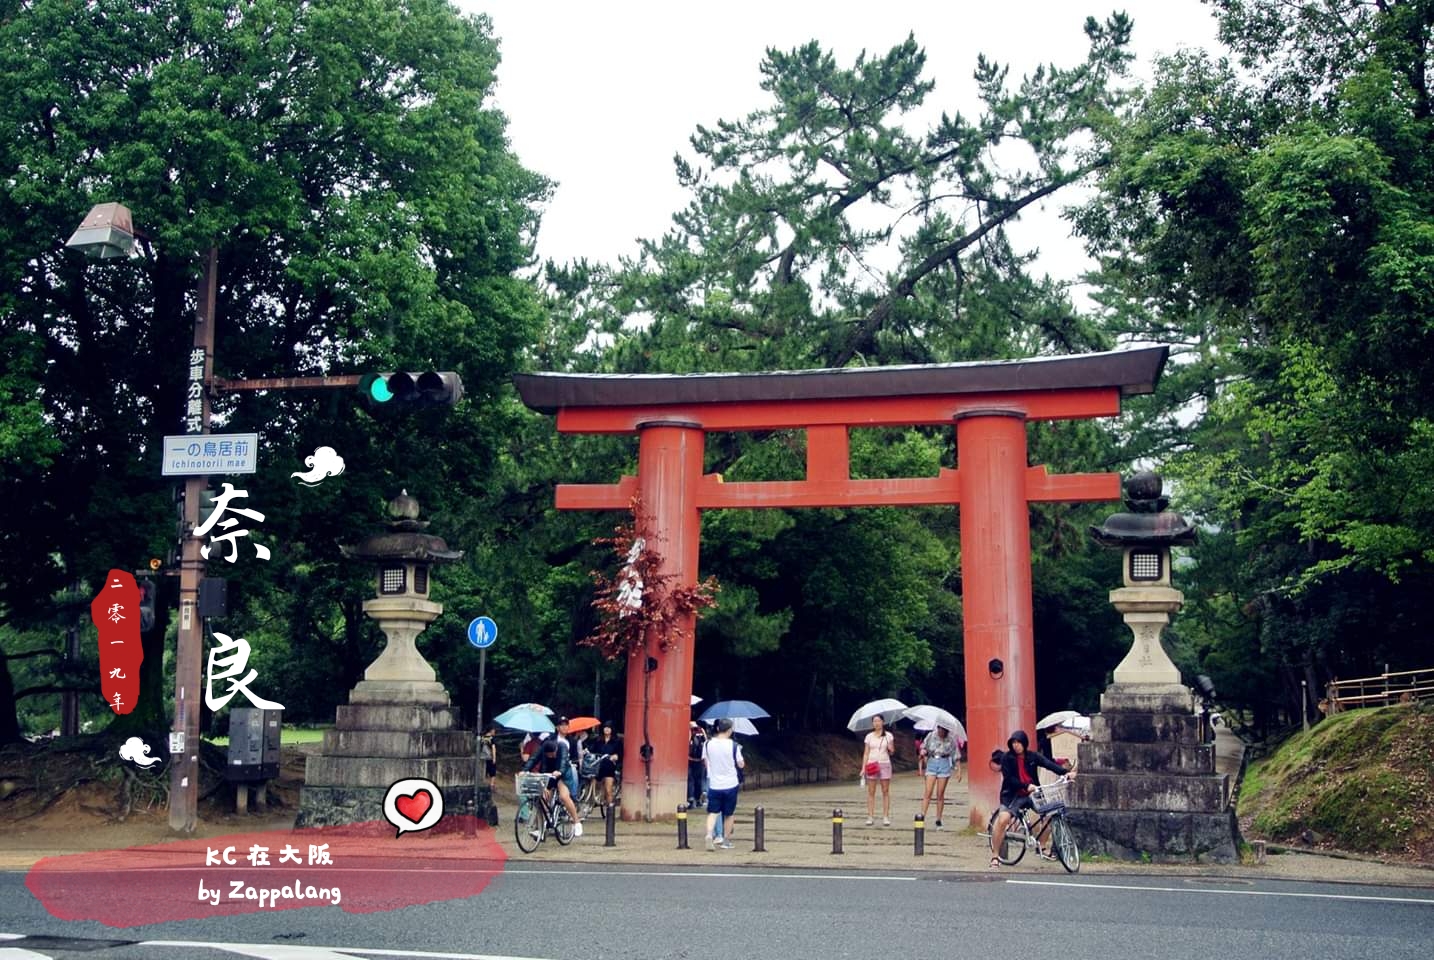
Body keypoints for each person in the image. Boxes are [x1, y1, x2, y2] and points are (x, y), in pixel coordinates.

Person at [988, 729, 1073, 868]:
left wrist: (1066, 773)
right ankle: (995, 856)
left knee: (1049, 814)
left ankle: (1042, 846)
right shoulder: (1007, 758)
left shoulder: (1032, 757)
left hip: (1033, 793)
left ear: (1024, 743)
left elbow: (1048, 764)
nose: (1016, 745)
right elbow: (1009, 779)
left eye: (1019, 742)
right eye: (1013, 742)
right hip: (1012, 794)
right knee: (1003, 819)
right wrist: (1026, 786)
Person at [522, 719, 583, 838]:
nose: (551, 756)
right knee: (542, 799)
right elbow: (534, 758)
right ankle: (540, 828)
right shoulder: (545, 744)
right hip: (548, 773)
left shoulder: (563, 746)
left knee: (564, 796)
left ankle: (576, 822)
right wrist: (525, 770)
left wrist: (559, 771)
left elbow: (564, 762)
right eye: (548, 755)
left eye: (553, 754)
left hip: (562, 774)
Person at [702, 718, 744, 850]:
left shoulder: (708, 744)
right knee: (729, 814)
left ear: (717, 728)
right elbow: (741, 764)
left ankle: (709, 835)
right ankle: (726, 840)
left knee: (713, 812)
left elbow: (706, 762)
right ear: (730, 730)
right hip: (730, 784)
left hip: (714, 784)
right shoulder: (734, 745)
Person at [918, 725, 960, 828]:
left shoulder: (951, 739)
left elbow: (955, 755)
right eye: (940, 729)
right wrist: (923, 752)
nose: (942, 731)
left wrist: (958, 771)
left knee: (940, 794)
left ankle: (938, 819)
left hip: (944, 762)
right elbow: (923, 747)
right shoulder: (931, 735)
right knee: (928, 791)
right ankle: (922, 815)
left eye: (944, 730)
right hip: (932, 761)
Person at [861, 713, 895, 826]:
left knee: (885, 791)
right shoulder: (869, 736)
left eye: (879, 721)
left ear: (883, 722)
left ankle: (885, 816)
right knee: (871, 791)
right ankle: (870, 816)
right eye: (874, 721)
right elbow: (866, 753)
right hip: (872, 764)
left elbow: (892, 751)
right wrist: (863, 767)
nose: (876, 723)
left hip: (884, 763)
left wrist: (890, 748)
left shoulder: (888, 736)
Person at [591, 721, 622, 809]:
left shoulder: (616, 741)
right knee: (593, 784)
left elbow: (620, 754)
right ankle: (592, 802)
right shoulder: (598, 740)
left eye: (609, 728)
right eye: (605, 727)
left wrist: (616, 756)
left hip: (609, 767)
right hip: (599, 766)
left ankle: (610, 809)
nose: (607, 729)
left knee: (608, 790)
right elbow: (593, 750)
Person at [687, 721, 707, 808]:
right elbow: (706, 743)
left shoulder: (689, 731)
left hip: (690, 759)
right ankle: (698, 800)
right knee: (699, 780)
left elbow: (687, 744)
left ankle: (691, 799)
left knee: (690, 780)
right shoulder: (701, 730)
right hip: (700, 760)